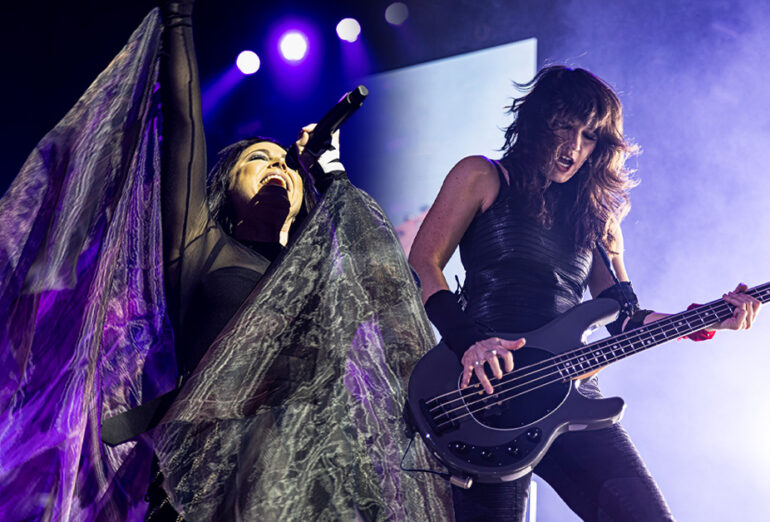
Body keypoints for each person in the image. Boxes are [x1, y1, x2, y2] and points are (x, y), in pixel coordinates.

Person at [0, 2, 452, 521]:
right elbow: (186, 122)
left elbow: (389, 297)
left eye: (286, 164)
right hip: (212, 488)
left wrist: (331, 174)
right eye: (258, 159)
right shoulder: (202, 248)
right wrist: (180, 19)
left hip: (318, 489)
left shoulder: (317, 276)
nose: (277, 165)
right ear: (226, 187)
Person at [408, 65, 761, 521]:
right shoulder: (482, 176)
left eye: (589, 135)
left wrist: (708, 319)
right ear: (537, 122)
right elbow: (423, 263)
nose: (573, 147)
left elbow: (625, 317)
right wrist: (469, 340)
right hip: (485, 392)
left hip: (571, 393)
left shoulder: (599, 217)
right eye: (564, 127)